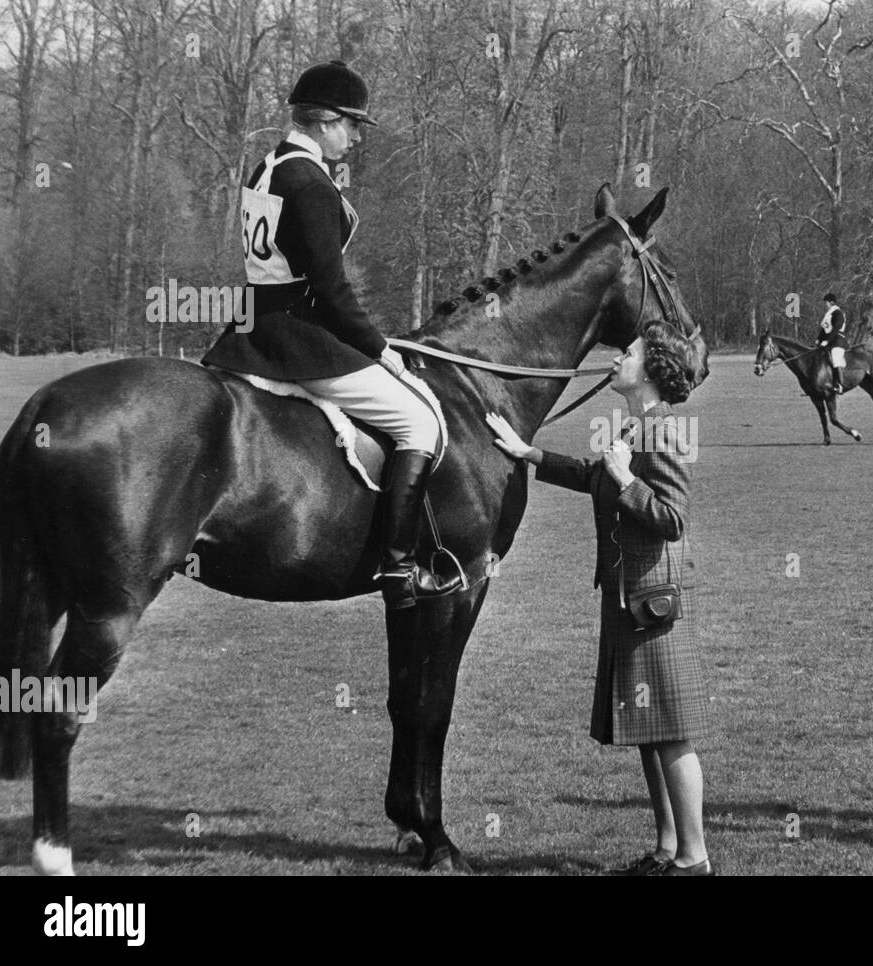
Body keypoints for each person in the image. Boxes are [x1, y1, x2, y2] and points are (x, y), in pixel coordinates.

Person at [203, 60, 460, 608]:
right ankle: (398, 569)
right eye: (353, 125)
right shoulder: (311, 183)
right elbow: (331, 294)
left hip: (250, 326)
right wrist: (381, 349)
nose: (357, 137)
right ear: (324, 120)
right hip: (298, 338)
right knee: (420, 419)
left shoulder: (266, 166)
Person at [486, 322, 713, 875]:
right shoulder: (637, 426)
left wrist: (625, 479)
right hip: (626, 600)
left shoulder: (666, 430)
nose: (617, 357)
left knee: (670, 733)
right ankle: (666, 849)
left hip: (651, 605)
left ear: (653, 369)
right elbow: (594, 477)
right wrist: (528, 452)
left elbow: (673, 521)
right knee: (647, 731)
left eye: (629, 352)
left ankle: (695, 859)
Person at [816, 293, 848, 394]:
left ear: (831, 302)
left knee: (836, 359)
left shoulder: (838, 313)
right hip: (829, 341)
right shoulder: (829, 314)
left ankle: (840, 385)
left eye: (826, 303)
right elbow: (824, 329)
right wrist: (818, 339)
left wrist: (827, 341)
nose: (825, 305)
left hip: (838, 341)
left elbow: (836, 328)